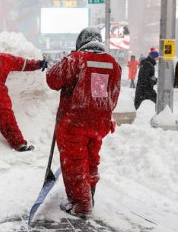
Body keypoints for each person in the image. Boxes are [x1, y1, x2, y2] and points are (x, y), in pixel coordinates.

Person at [46, 27, 121, 218]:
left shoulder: (76, 59)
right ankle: (90, 194)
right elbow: (114, 95)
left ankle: (81, 205)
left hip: (75, 123)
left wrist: (63, 63)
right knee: (91, 160)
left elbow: (52, 80)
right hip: (99, 123)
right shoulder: (113, 64)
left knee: (74, 162)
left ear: (81, 42)